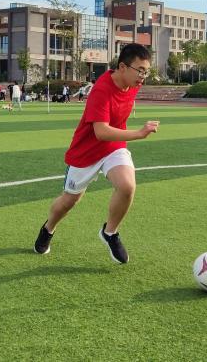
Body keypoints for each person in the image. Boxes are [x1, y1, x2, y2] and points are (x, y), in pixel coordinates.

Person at [33, 43, 159, 264]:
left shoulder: (133, 84)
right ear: (122, 67)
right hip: (87, 151)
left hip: (114, 146)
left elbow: (111, 131)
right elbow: (100, 132)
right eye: (140, 70)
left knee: (127, 186)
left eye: (146, 71)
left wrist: (128, 136)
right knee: (69, 201)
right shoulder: (101, 90)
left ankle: (110, 233)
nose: (143, 76)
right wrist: (139, 134)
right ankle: (48, 228)